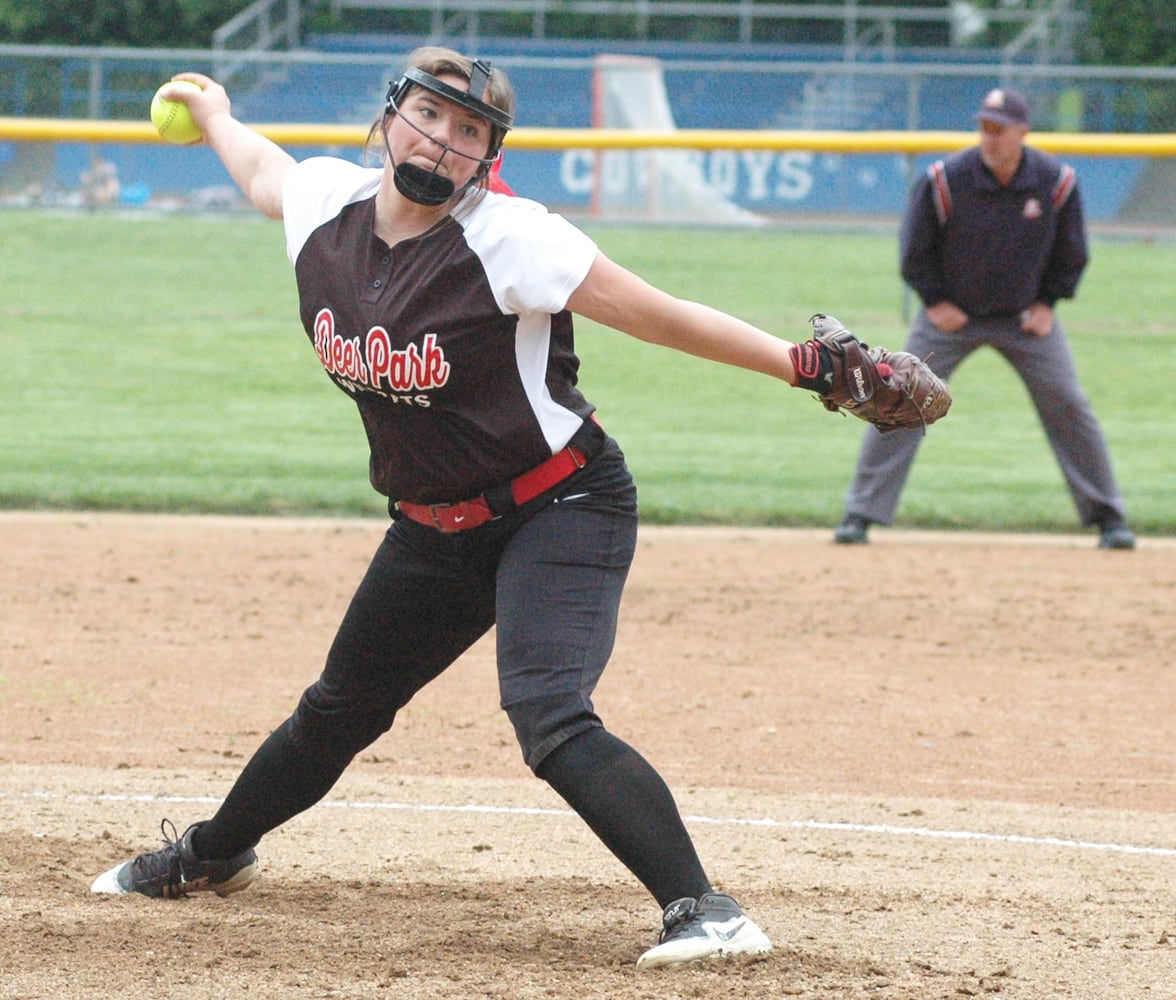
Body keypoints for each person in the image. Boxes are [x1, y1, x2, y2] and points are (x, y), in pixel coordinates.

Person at [90, 47, 845, 969]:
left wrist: (801, 363)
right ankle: (212, 856)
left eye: (470, 132)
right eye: (431, 115)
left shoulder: (513, 238)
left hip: (562, 501)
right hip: (433, 524)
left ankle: (708, 911)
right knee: (338, 708)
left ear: (487, 155)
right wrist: (212, 111)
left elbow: (660, 313)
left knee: (549, 710)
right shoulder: (326, 206)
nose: (445, 141)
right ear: (390, 117)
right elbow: (262, 170)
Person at [833, 87, 1135, 550]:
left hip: (1024, 319)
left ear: (1023, 132)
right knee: (897, 397)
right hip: (950, 316)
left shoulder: (1056, 182)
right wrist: (933, 301)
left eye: (1000, 129)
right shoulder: (944, 179)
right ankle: (860, 512)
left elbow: (1072, 251)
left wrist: (1048, 303)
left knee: (1069, 403)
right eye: (984, 128)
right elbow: (915, 248)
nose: (989, 138)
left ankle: (1109, 517)